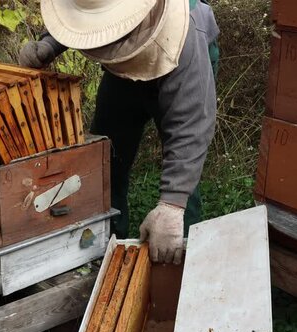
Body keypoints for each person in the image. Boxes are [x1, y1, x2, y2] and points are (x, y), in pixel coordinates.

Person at [20, 0, 219, 265]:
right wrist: (50, 43)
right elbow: (81, 15)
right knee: (107, 155)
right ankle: (105, 244)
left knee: (182, 173)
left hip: (176, 52)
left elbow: (191, 128)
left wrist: (172, 205)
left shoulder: (188, 33)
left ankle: (185, 252)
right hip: (123, 71)